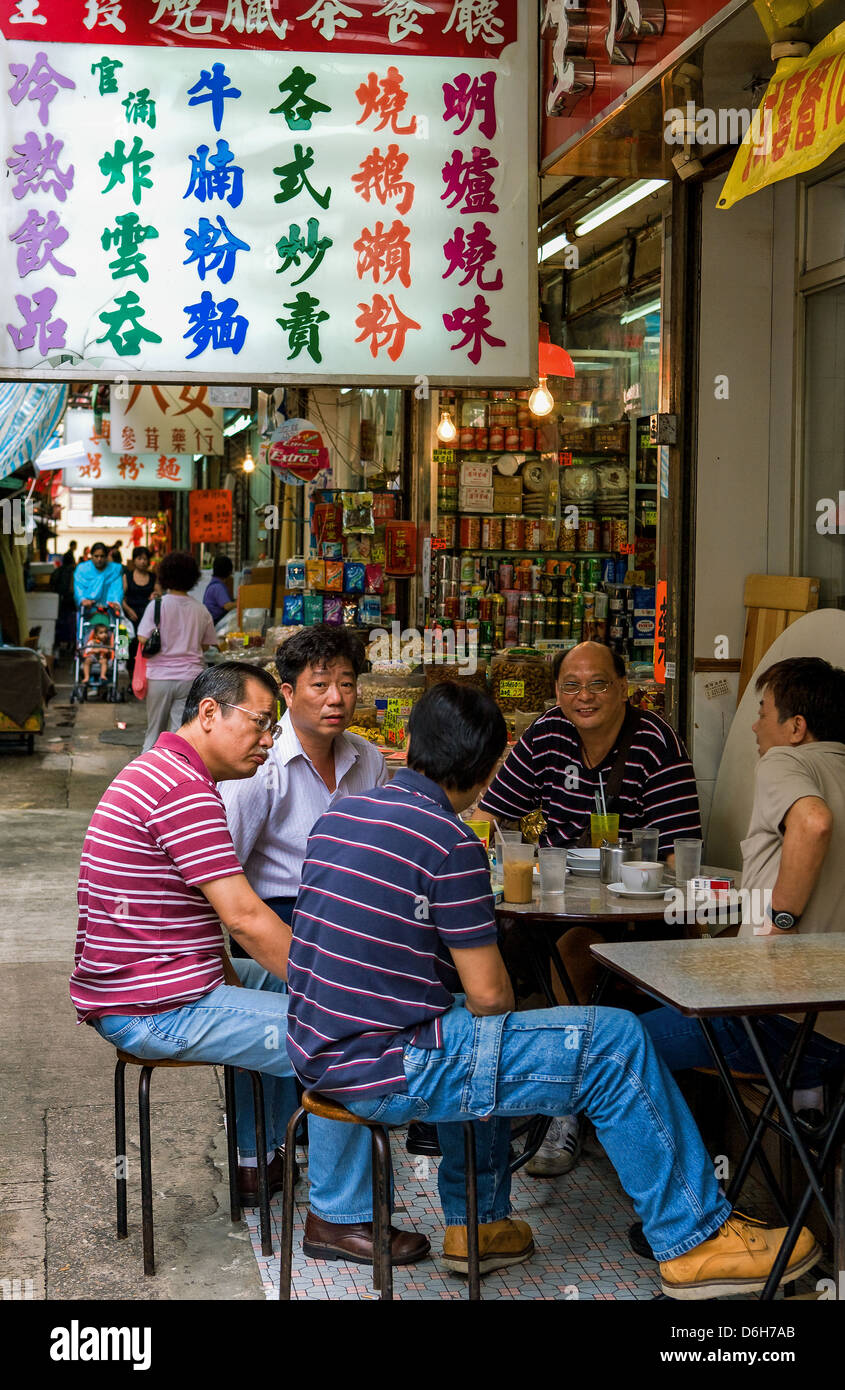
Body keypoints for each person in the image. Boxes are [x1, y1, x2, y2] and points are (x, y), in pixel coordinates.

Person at [285, 681, 819, 1297]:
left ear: (410, 743)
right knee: (612, 1041)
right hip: (389, 1066)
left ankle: (479, 1225)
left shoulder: (341, 815)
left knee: (481, 1032)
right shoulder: (449, 840)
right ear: (488, 771)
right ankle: (695, 1238)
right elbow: (489, 995)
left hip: (323, 1052)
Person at [69, 661, 425, 1260]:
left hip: (163, 982)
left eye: (271, 726)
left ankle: (263, 1162)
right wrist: (336, 992)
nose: (268, 740)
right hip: (154, 1006)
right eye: (260, 724)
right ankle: (339, 1220)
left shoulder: (168, 772)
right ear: (209, 713)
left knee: (320, 1002)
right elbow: (243, 917)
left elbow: (204, 919)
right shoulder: (181, 789)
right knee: (347, 1034)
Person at [218, 625, 426, 1264]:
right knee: (305, 1006)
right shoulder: (263, 768)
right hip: (274, 917)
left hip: (350, 919)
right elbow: (227, 870)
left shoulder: (367, 761)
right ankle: (262, 1155)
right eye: (319, 684)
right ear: (287, 693)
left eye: (346, 682)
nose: (335, 696)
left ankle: (350, 1149)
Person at [481, 640, 703, 1177]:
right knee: (477, 953)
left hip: (635, 915)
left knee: (579, 952)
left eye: (599, 683)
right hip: (553, 902)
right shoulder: (548, 733)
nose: (585, 696)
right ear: (557, 692)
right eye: (571, 685)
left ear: (624, 687)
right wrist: (512, 855)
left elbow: (678, 857)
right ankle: (491, 1091)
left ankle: (563, 1111)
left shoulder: (655, 743)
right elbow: (494, 811)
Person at [642, 656, 845, 1088]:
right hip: (833, 1034)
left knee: (614, 1042)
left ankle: (680, 1156)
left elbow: (813, 823)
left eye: (762, 712)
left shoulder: (786, 761)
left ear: (796, 728)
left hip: (778, 1028)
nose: (755, 727)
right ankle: (806, 1106)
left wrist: (782, 921)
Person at [137, 551, 219, 754]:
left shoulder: (156, 605)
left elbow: (142, 639)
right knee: (179, 735)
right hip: (190, 679)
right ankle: (175, 777)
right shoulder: (201, 610)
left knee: (154, 732)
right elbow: (207, 645)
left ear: (164, 576)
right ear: (193, 578)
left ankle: (146, 776)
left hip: (159, 678)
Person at [123, 546, 155, 682]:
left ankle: (145, 679)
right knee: (129, 649)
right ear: (134, 560)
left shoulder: (153, 577)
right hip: (130, 618)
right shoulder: (127, 576)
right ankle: (131, 680)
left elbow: (158, 593)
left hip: (148, 619)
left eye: (145, 559)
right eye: (140, 558)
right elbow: (121, 598)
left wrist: (155, 594)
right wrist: (129, 610)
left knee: (147, 649)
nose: (143, 562)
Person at [73, 542, 124, 613]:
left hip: (109, 610)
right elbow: (79, 588)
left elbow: (117, 588)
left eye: (102, 556)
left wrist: (116, 601)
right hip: (88, 609)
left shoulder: (115, 570)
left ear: (106, 556)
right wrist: (82, 599)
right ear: (91, 556)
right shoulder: (82, 569)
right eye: (96, 556)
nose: (99, 559)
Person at [203, 555, 237, 625]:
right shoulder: (217, 587)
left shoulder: (215, 584)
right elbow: (228, 606)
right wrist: (242, 603)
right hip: (215, 623)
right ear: (229, 571)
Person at [81, 621, 114, 686]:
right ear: (96, 635)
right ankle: (86, 677)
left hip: (102, 658)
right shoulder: (92, 641)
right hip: (92, 657)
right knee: (87, 661)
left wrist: (107, 651)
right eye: (101, 633)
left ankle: (102, 675)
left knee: (104, 661)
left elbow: (110, 650)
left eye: (105, 633)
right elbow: (87, 650)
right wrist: (95, 650)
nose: (104, 634)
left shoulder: (106, 643)